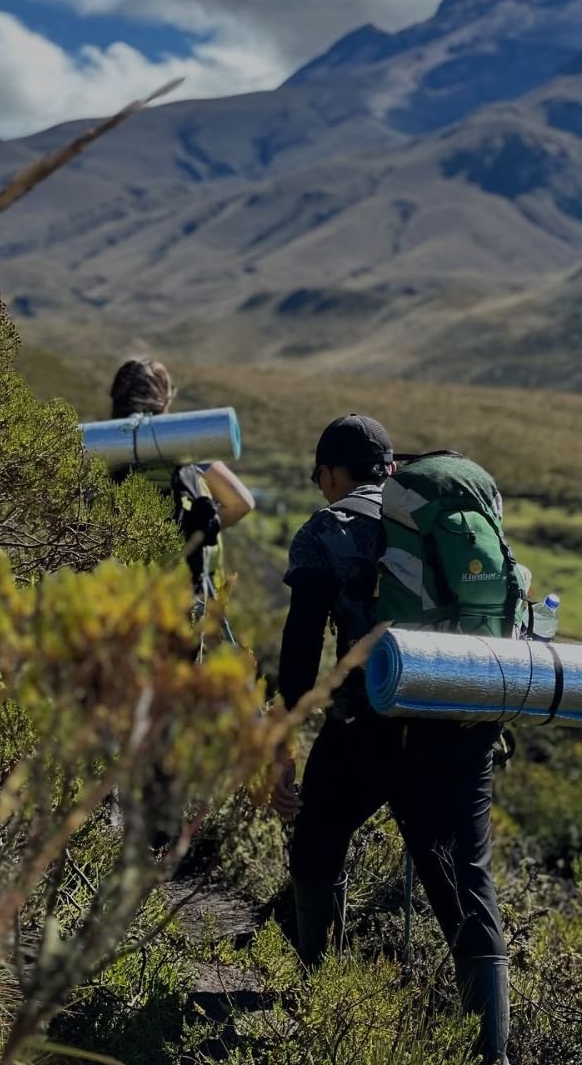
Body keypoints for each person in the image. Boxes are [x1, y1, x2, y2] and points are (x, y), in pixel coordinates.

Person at [271, 414, 511, 1065]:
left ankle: (320, 1005)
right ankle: (494, 1056)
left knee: (318, 842)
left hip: (367, 728)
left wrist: (280, 751)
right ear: (390, 467)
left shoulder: (327, 529)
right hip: (463, 726)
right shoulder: (441, 517)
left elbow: (298, 660)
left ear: (329, 473)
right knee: (468, 889)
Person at [109, 357, 254, 592]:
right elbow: (242, 503)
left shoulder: (100, 450)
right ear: (165, 399)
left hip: (119, 606)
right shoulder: (188, 449)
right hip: (186, 604)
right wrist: (198, 531)